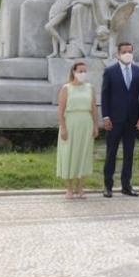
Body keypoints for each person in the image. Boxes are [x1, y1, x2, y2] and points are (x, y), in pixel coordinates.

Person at [100, 42, 139, 197]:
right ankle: (108, 186)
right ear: (118, 54)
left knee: (129, 154)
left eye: (130, 51)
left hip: (132, 120)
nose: (127, 54)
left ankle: (126, 185)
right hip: (114, 120)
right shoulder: (110, 71)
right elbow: (104, 96)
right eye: (124, 51)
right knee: (111, 153)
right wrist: (105, 116)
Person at [56, 61, 99, 199]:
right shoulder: (66, 88)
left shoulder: (90, 88)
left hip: (86, 123)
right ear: (73, 72)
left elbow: (93, 108)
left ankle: (80, 187)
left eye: (85, 71)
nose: (83, 74)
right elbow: (61, 110)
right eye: (80, 71)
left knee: (83, 154)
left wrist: (95, 125)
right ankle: (69, 188)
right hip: (70, 123)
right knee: (69, 154)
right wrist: (63, 127)